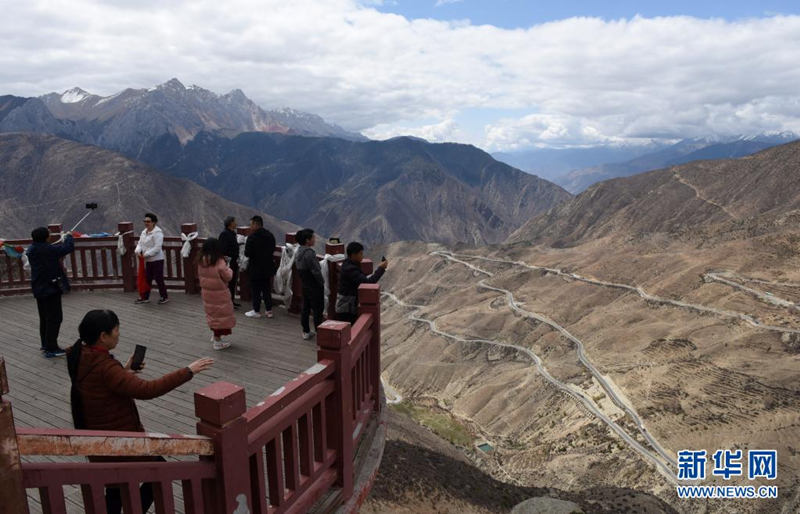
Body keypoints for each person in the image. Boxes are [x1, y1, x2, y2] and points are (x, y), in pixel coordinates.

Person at [66, 309, 213, 514]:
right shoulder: (105, 367)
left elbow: (100, 384)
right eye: (116, 330)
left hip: (99, 438)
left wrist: (125, 372)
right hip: (119, 442)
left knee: (116, 489)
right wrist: (188, 371)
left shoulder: (79, 353)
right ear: (103, 336)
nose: (119, 333)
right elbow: (147, 390)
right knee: (158, 473)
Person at [26, 227, 75, 358]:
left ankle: (45, 344)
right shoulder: (47, 250)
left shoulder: (32, 249)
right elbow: (67, 248)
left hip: (39, 288)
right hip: (50, 288)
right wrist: (69, 237)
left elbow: (54, 249)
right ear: (45, 237)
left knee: (44, 318)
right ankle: (51, 348)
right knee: (55, 318)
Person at [336, 242, 388, 324]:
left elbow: (361, 279)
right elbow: (368, 283)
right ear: (353, 255)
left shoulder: (348, 263)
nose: (362, 256)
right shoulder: (350, 269)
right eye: (360, 253)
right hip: (347, 308)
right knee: (350, 332)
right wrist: (381, 269)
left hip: (347, 305)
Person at [197, 238, 235, 350]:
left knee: (213, 314)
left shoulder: (201, 260)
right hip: (219, 294)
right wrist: (229, 268)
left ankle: (215, 335)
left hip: (207, 293)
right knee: (221, 317)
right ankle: (217, 342)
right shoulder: (219, 261)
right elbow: (228, 276)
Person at [243, 215, 276, 319]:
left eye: (251, 224)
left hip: (255, 268)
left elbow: (247, 253)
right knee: (266, 288)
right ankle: (269, 311)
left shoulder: (251, 238)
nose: (250, 226)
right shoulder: (270, 235)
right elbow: (272, 249)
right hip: (267, 267)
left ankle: (256, 311)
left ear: (256, 224)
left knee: (256, 290)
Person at [295, 228, 324, 339]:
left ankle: (306, 331)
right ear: (307, 240)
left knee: (306, 308)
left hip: (305, 284)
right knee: (318, 309)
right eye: (313, 237)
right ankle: (319, 332)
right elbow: (316, 270)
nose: (315, 239)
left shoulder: (299, 252)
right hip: (314, 285)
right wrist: (321, 282)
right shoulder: (309, 254)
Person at [134, 213, 168, 304]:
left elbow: (157, 248)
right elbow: (140, 244)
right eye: (145, 221)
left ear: (154, 222)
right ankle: (145, 297)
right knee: (147, 279)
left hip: (157, 260)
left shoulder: (158, 233)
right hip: (147, 260)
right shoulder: (144, 232)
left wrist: (145, 255)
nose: (146, 223)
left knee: (158, 279)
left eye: (148, 221)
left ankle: (164, 296)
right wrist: (137, 251)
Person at [218, 216, 241, 308]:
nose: (236, 223)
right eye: (235, 222)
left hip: (234, 261)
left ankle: (231, 300)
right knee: (228, 282)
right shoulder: (224, 234)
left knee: (233, 282)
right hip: (228, 263)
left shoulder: (232, 233)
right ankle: (227, 302)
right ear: (231, 223)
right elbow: (222, 249)